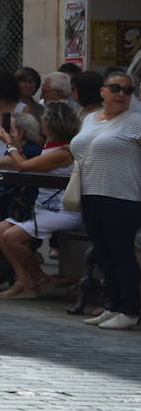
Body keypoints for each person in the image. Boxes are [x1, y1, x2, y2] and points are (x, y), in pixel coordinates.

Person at [0, 100, 81, 299]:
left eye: (45, 119)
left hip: (61, 210)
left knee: (11, 237)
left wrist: (10, 144)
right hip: (42, 207)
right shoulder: (49, 145)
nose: (41, 121)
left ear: (53, 123)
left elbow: (24, 166)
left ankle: (40, 278)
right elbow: (28, 163)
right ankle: (24, 279)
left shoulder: (63, 151)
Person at [71, 71, 141, 329]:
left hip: (122, 195)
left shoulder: (136, 121)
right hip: (91, 193)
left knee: (122, 254)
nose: (121, 94)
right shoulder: (90, 119)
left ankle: (130, 310)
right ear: (103, 92)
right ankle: (113, 305)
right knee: (104, 253)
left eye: (128, 90)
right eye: (115, 88)